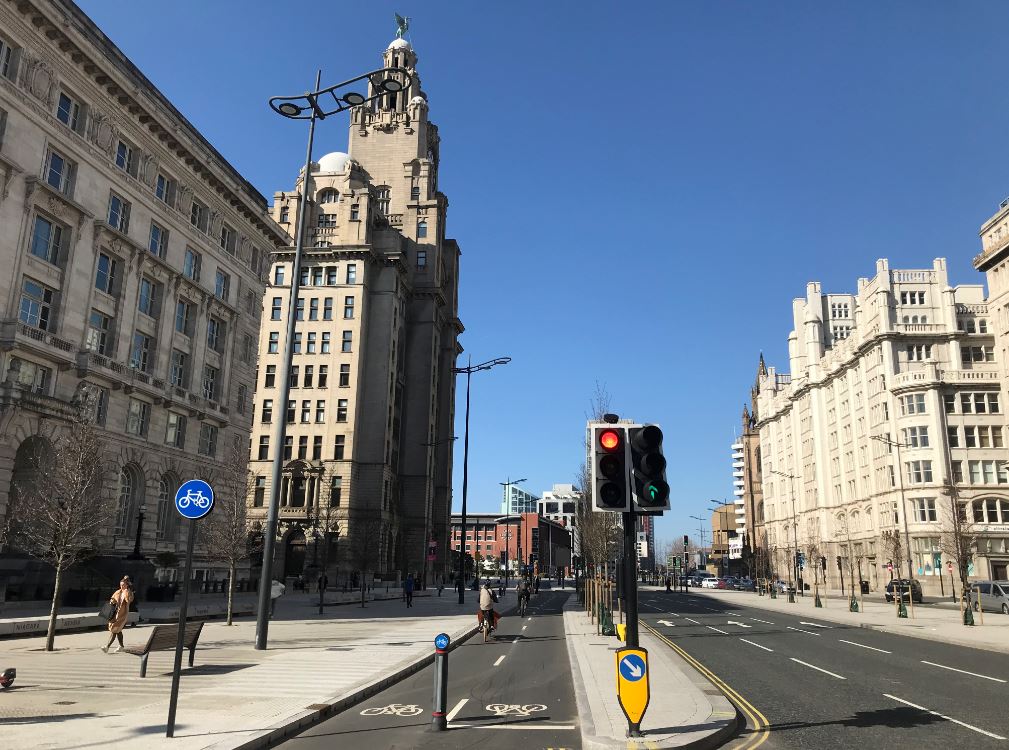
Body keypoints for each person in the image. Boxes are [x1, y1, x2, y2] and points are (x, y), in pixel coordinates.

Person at [101, 577, 134, 653]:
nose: (122, 586)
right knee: (118, 630)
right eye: (121, 585)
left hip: (122, 615)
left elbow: (129, 600)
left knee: (114, 630)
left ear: (126, 585)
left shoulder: (127, 592)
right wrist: (112, 602)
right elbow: (112, 599)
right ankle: (121, 646)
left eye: (123, 585)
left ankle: (107, 647)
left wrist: (128, 591)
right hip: (114, 614)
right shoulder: (118, 592)